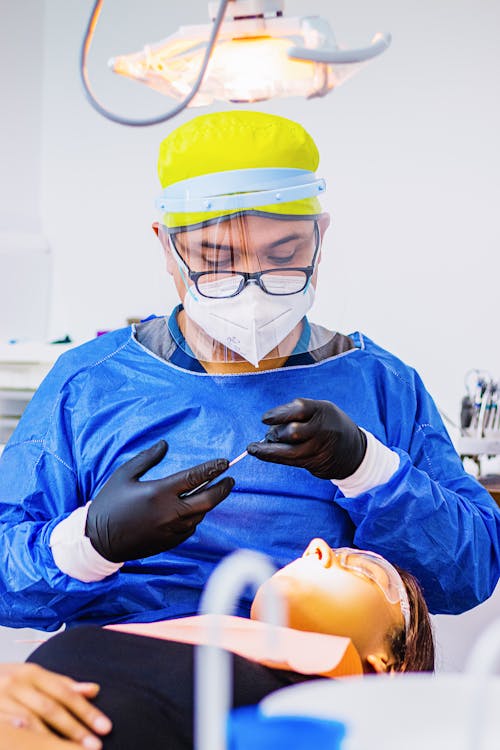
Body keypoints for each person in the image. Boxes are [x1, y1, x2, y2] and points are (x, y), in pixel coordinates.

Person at [0, 111, 498, 632]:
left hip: (308, 678)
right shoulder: (89, 385)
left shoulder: (381, 387)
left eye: (283, 255)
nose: (251, 287)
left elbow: (464, 576)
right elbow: (9, 584)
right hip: (130, 674)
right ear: (167, 248)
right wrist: (89, 545)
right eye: (214, 260)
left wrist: (368, 468)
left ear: (319, 238)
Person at [18, 539, 433, 750]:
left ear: (385, 667)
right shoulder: (220, 658)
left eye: (362, 568)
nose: (318, 548)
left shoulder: (292, 724)